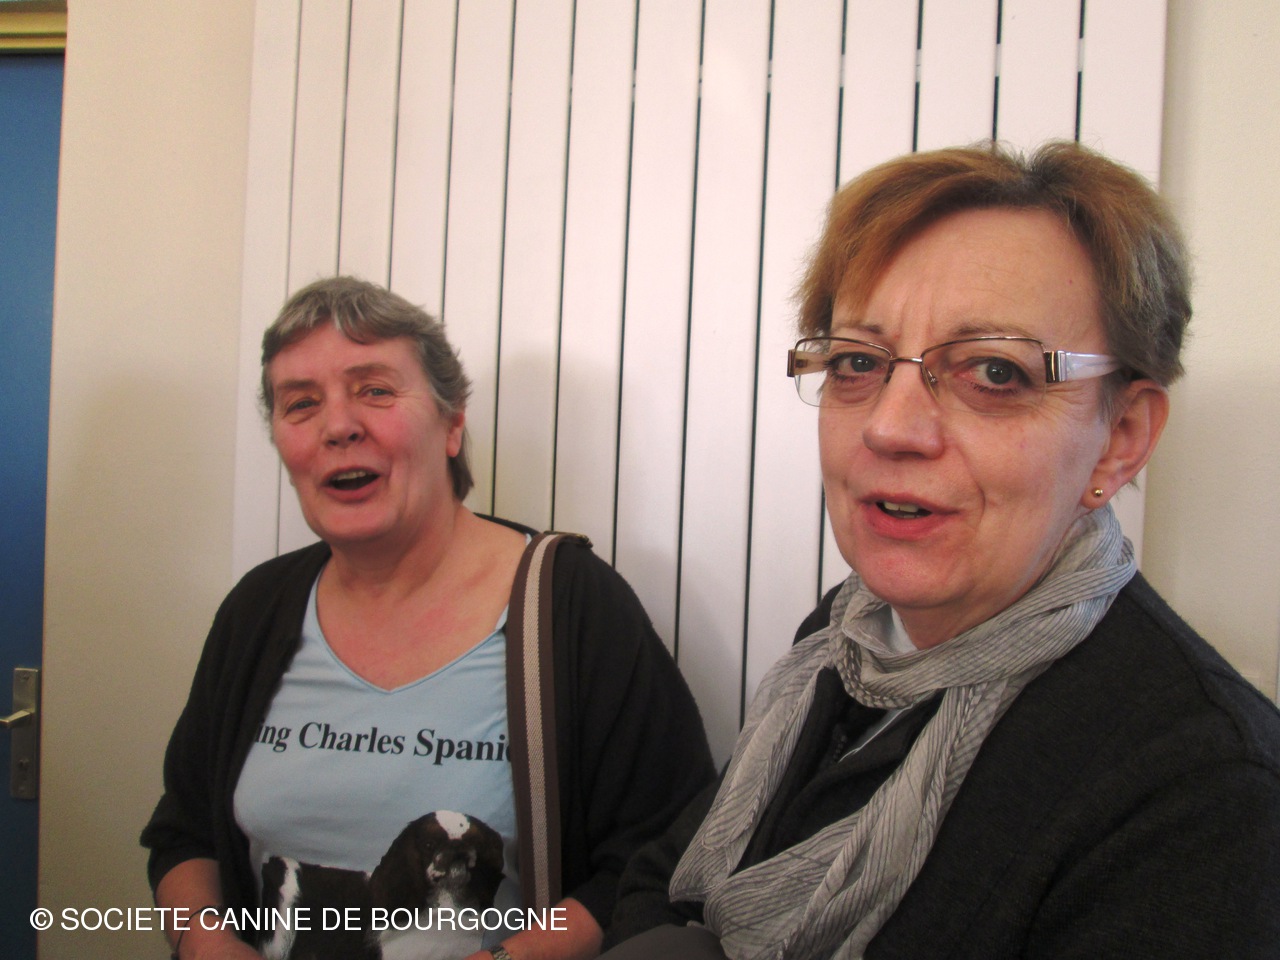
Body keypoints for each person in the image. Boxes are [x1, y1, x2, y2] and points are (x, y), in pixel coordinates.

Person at [604, 141, 1280, 959]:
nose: (889, 427)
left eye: (994, 372)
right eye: (857, 362)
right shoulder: (847, 634)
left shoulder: (1202, 794)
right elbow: (667, 873)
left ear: (1120, 438)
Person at [141, 276, 715, 960]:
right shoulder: (257, 610)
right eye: (302, 403)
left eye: (375, 390)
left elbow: (663, 853)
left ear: (451, 424)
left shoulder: (572, 607)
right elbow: (186, 832)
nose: (338, 426)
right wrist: (203, 940)